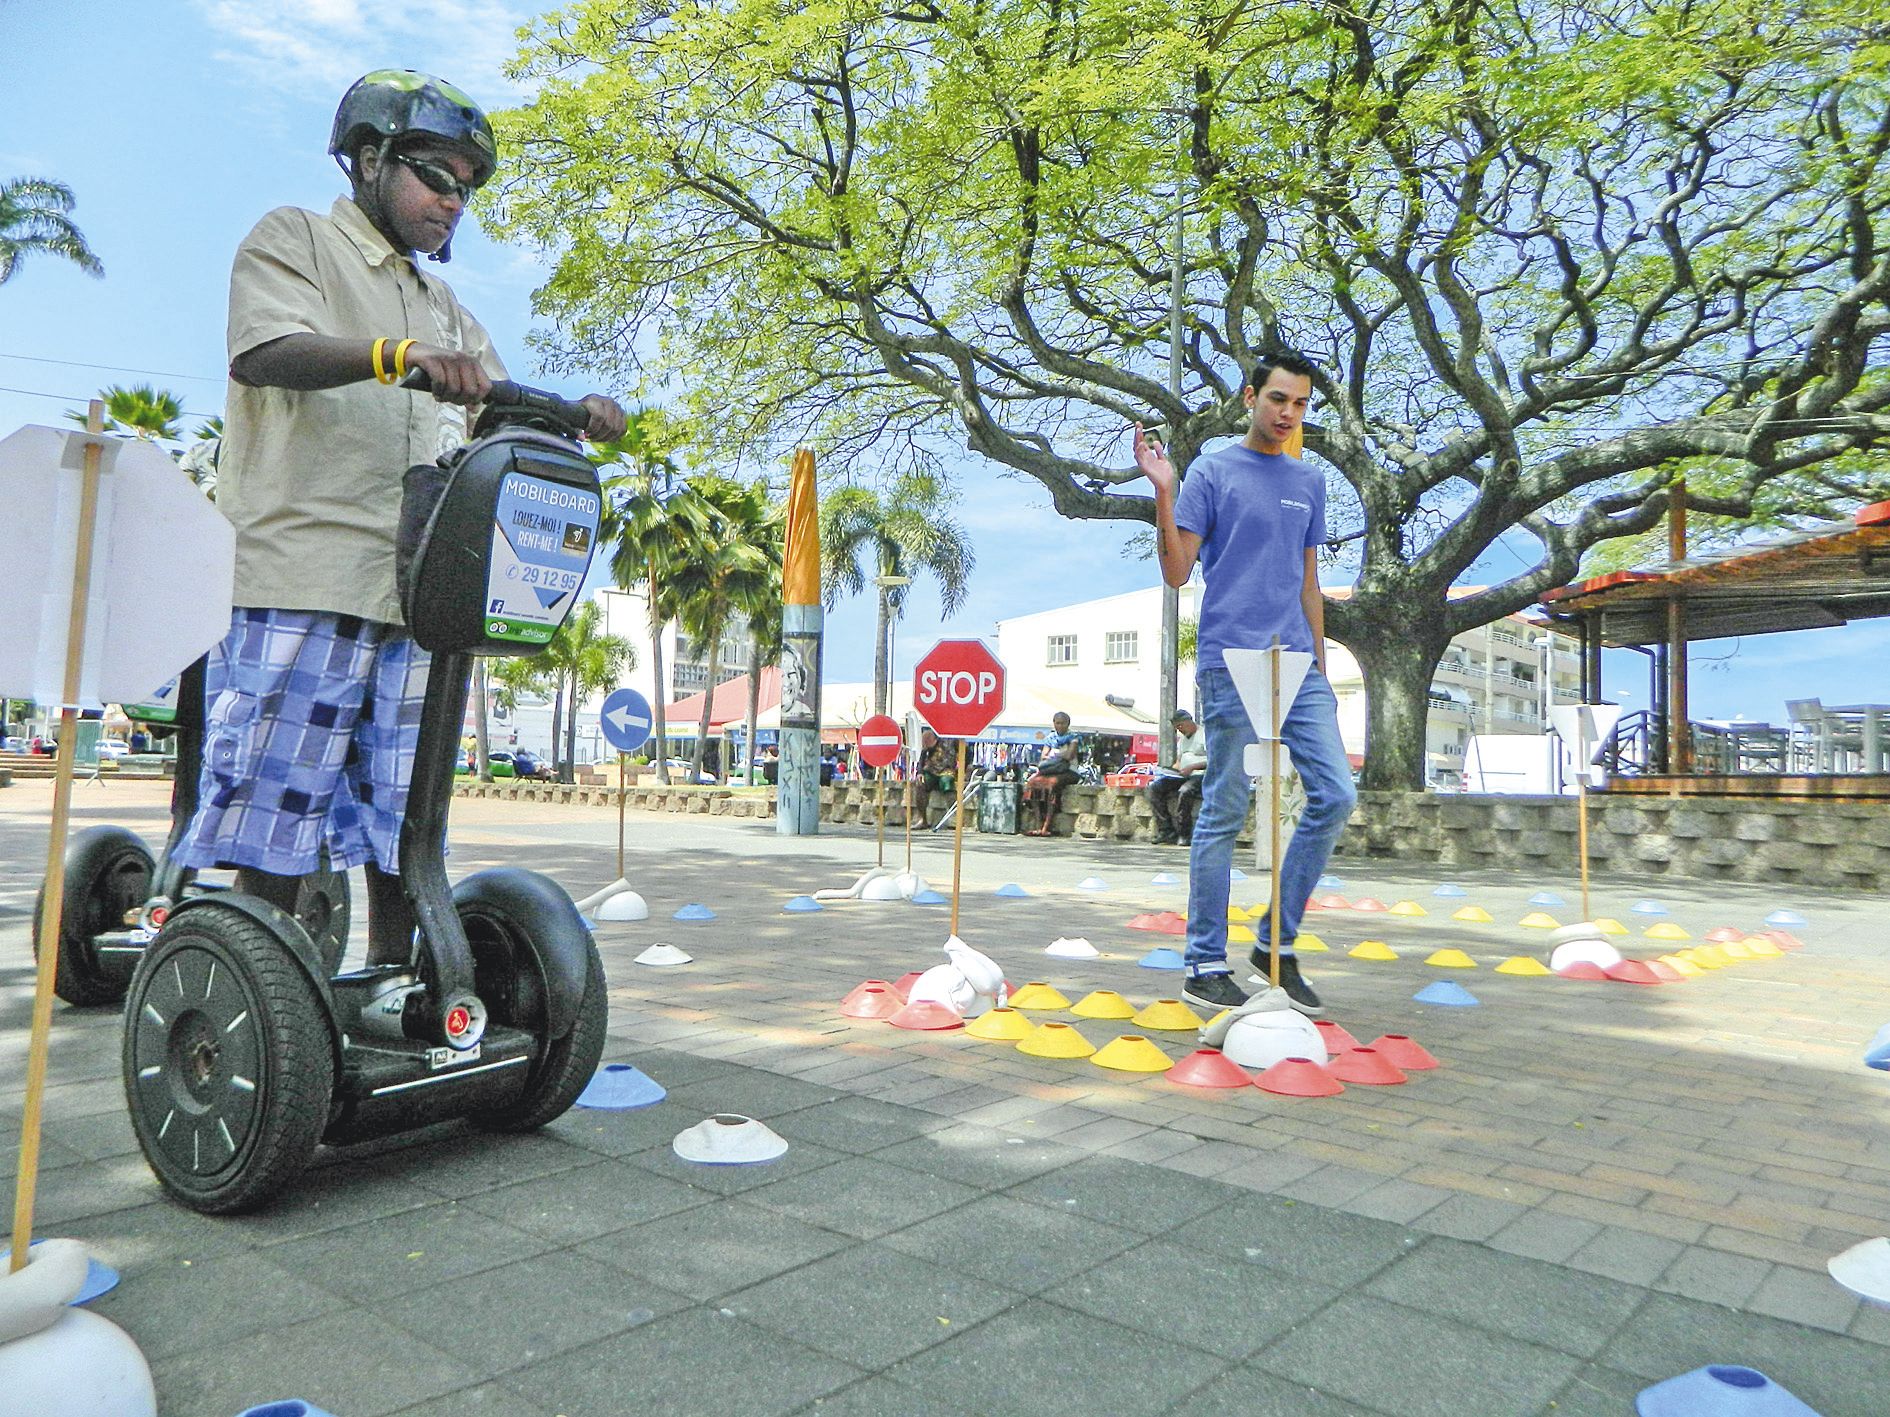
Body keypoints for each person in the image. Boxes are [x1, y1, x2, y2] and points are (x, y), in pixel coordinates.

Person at [174, 69, 626, 971]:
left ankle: (397, 996)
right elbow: (265, 350)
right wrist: (394, 355)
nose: (453, 201)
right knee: (276, 832)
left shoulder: (444, 305)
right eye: (436, 176)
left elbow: (497, 402)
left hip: (416, 598)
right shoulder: (295, 238)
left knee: (403, 832)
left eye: (467, 187)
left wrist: (577, 412)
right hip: (306, 579)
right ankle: (265, 1003)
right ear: (371, 159)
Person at [1136, 348, 1356, 1017]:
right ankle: (1204, 962)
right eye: (1278, 398)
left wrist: (1320, 666)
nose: (1288, 412)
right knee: (1225, 808)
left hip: (1296, 662)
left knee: (1336, 793)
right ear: (1250, 398)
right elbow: (1177, 571)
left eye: (1300, 403)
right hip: (1230, 658)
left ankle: (1274, 944)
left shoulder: (1309, 482)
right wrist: (1164, 490)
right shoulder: (1212, 471)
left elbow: (1310, 583)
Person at [1148, 707, 1206, 845]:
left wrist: (1192, 767)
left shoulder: (1204, 735)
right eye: (1177, 728)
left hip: (1200, 775)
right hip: (1184, 775)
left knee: (1185, 791)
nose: (1180, 730)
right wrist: (1170, 771)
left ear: (1189, 721)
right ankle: (1166, 830)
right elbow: (1179, 761)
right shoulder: (1183, 740)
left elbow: (1213, 760)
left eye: (1181, 726)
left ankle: (1184, 833)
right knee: (1155, 788)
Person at [1023, 711, 1081, 835]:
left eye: (1063, 723)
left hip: (1069, 771)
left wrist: (1053, 755)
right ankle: (1038, 824)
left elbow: (1070, 755)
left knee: (1052, 784)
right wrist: (1060, 755)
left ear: (1068, 724)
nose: (1060, 726)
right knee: (1032, 783)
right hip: (1051, 770)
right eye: (1057, 723)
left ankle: (1046, 826)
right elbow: (1043, 756)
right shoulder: (1050, 738)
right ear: (1054, 723)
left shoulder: (1074, 738)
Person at [911, 727, 957, 828]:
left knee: (947, 783)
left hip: (947, 770)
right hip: (931, 770)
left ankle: (955, 818)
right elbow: (922, 758)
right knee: (920, 784)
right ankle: (922, 819)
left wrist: (964, 768)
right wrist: (920, 772)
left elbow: (966, 752)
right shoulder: (927, 744)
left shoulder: (951, 740)